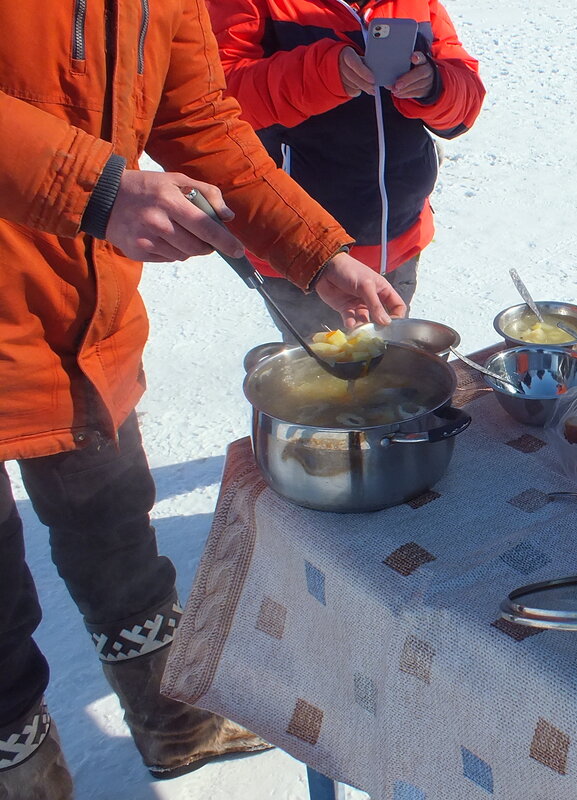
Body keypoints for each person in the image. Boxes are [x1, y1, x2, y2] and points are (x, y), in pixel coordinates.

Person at [0, 1, 407, 797]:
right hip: (51, 256)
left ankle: (172, 720)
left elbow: (202, 122)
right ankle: (24, 776)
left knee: (114, 518)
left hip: (83, 309)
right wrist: (102, 191)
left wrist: (316, 252)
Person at [207, 0, 485, 340]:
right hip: (303, 252)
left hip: (401, 239)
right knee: (325, 375)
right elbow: (215, 99)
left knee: (387, 363)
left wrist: (436, 86)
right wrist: (321, 74)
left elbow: (465, 94)